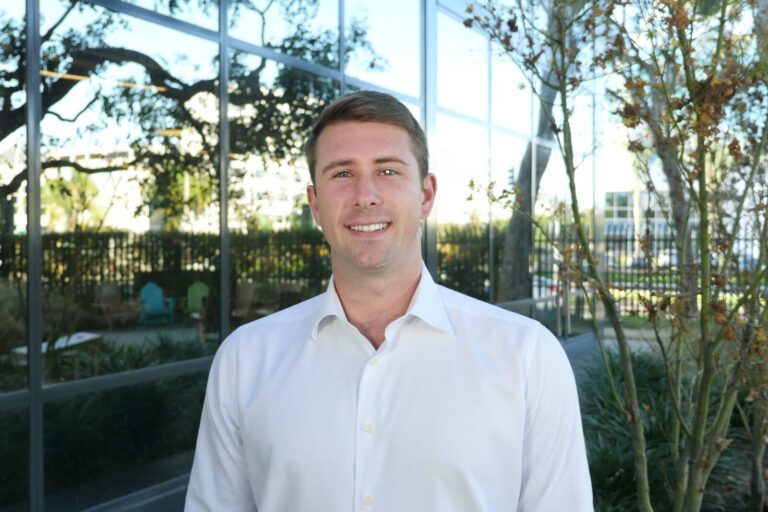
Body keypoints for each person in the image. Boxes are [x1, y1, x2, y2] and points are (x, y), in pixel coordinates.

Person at [185, 91, 593, 511]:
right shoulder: (245, 359)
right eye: (342, 174)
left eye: (388, 171)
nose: (365, 195)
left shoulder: (526, 356)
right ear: (315, 205)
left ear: (426, 196)